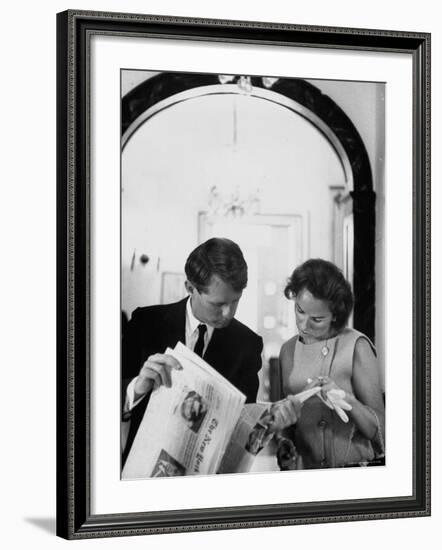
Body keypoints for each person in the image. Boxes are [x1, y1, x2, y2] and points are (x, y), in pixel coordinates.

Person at [121, 238, 263, 463]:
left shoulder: (248, 344)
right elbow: (99, 402)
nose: (228, 313)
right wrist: (135, 390)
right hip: (141, 473)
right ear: (190, 288)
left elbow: (243, 426)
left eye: (235, 302)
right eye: (217, 304)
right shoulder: (144, 323)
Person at [272, 258, 385, 470]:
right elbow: (287, 424)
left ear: (335, 315)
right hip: (306, 477)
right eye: (300, 310)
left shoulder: (356, 345)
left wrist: (347, 400)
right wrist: (283, 443)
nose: (303, 325)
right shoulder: (287, 351)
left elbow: (381, 432)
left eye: (316, 319)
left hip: (354, 474)